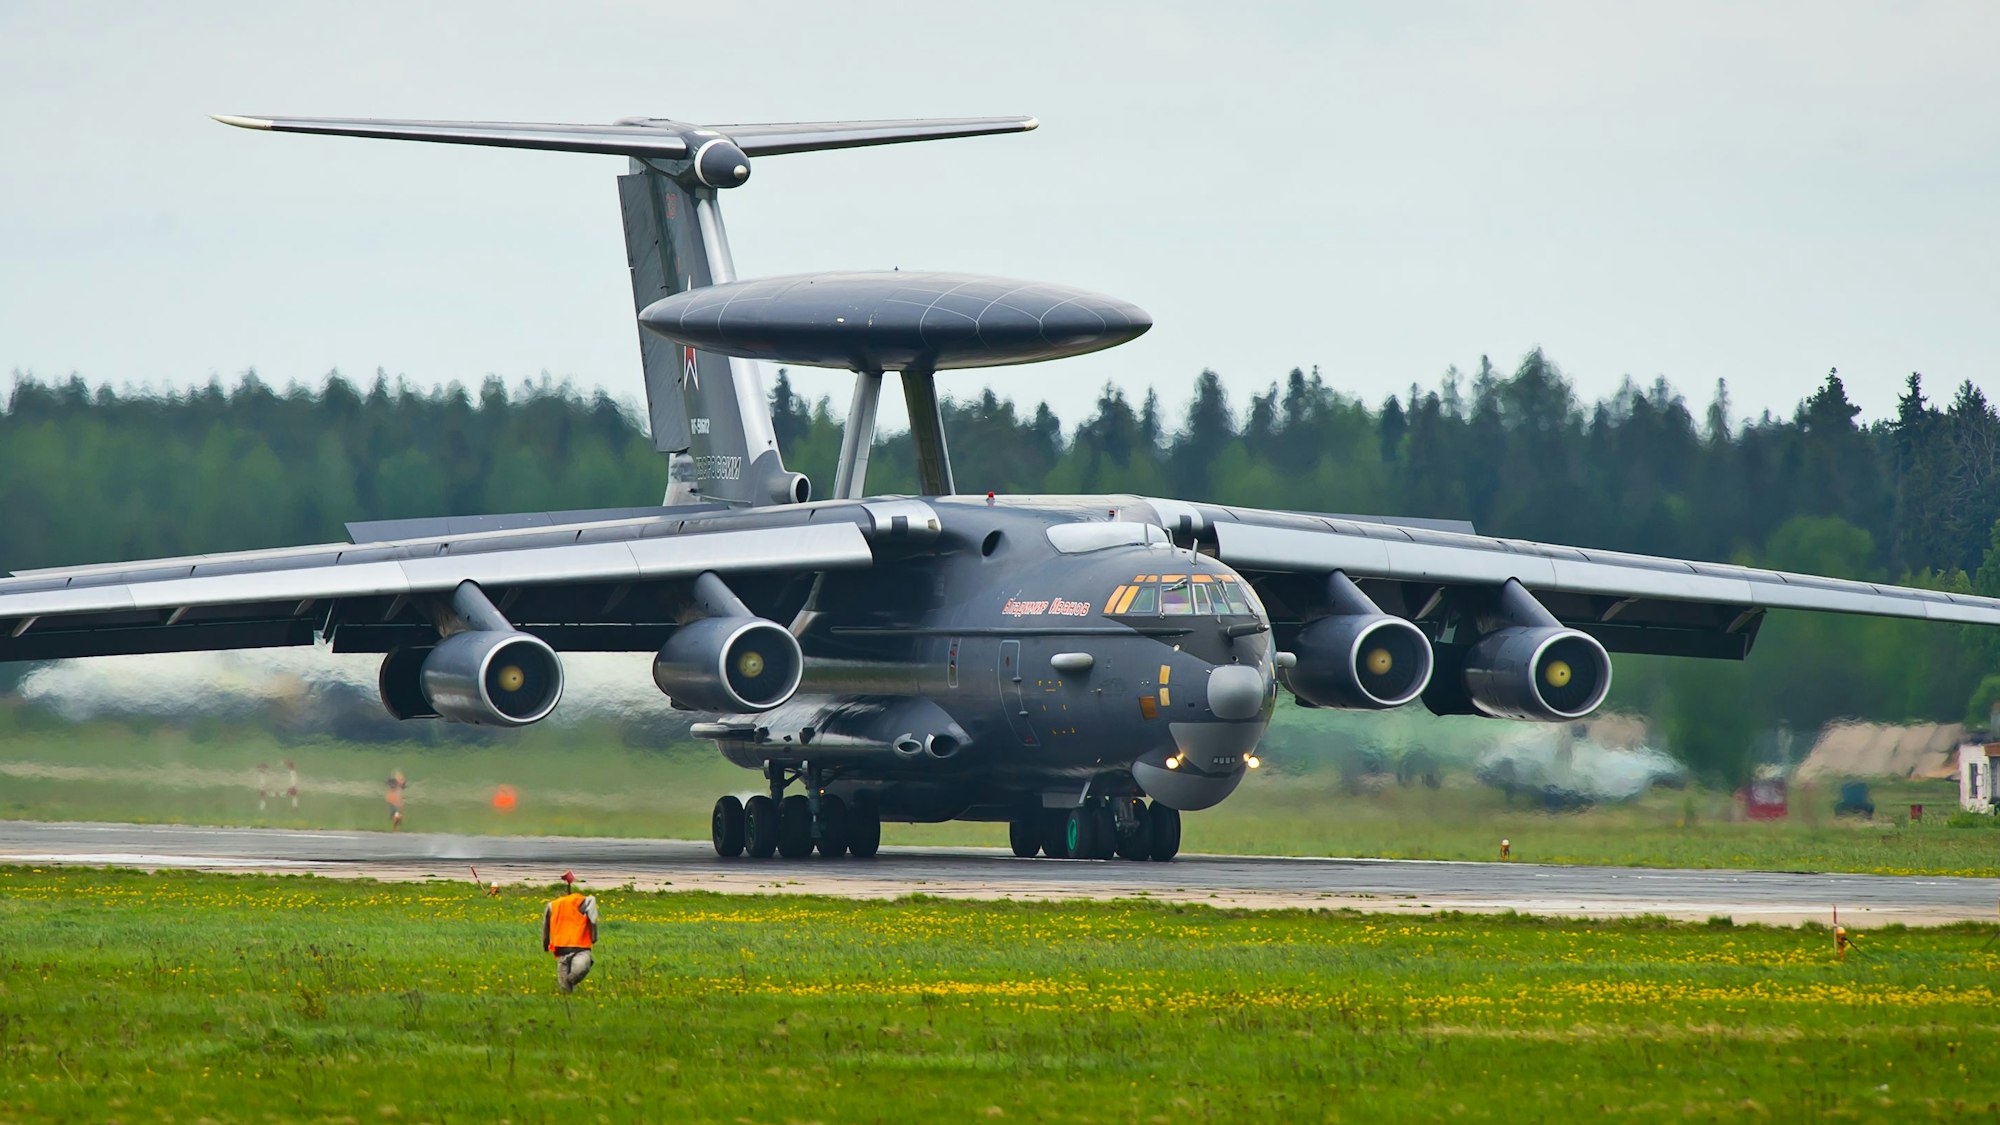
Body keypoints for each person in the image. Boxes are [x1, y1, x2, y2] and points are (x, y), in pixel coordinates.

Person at [541, 872, 599, 993]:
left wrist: (545, 943)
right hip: (563, 950)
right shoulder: (585, 902)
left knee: (574, 975)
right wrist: (594, 937)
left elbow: (546, 926)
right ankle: (568, 1000)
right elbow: (593, 920)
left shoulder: (553, 906)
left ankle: (569, 983)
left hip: (580, 949)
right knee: (565, 989)